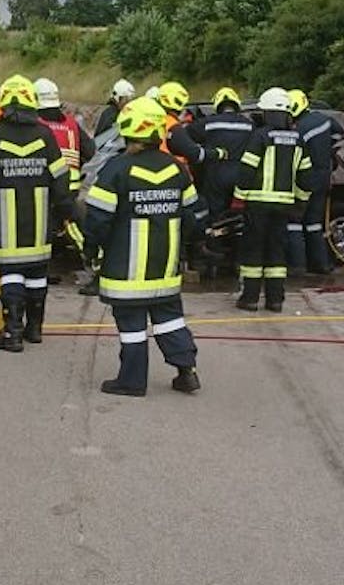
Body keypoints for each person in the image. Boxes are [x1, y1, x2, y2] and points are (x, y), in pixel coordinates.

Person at [82, 97, 207, 397]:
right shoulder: (177, 169)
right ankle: (186, 371)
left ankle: (132, 380)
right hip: (165, 265)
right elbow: (193, 216)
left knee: (132, 323)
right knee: (169, 318)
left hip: (126, 268)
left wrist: (91, 250)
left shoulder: (116, 170)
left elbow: (98, 220)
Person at [0, 75, 73, 352]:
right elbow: (61, 178)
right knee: (37, 272)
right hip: (40, 219)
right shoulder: (44, 135)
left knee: (11, 272)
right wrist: (65, 212)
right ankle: (35, 329)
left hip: (5, 219)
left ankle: (13, 333)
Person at [232, 87, 311, 312]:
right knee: (277, 251)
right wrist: (301, 201)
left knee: (253, 251)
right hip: (284, 205)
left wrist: (238, 197)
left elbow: (247, 170)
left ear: (266, 113)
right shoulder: (299, 140)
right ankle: (275, 300)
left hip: (257, 204)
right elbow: (305, 176)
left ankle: (250, 298)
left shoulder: (260, 136)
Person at [287, 89, 344, 274]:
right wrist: (328, 150)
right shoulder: (323, 119)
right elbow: (341, 135)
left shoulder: (300, 130)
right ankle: (320, 264)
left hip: (306, 178)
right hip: (324, 177)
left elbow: (294, 157)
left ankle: (297, 265)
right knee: (314, 223)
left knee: (294, 221)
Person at [186, 87, 252, 220]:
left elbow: (186, 136)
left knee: (216, 217)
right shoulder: (249, 125)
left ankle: (217, 238)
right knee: (241, 217)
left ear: (217, 105)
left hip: (216, 176)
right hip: (241, 177)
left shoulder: (208, 123)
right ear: (236, 105)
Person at [33, 77, 92, 200]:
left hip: (45, 188)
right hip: (71, 189)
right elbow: (90, 151)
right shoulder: (72, 124)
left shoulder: (35, 124)